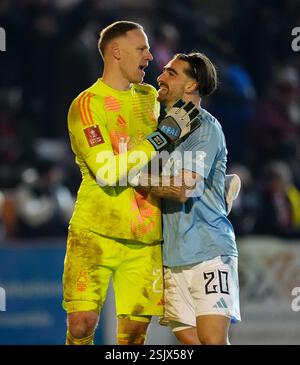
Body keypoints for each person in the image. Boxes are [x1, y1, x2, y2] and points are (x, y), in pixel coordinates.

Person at [62, 21, 199, 345]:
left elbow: (176, 149)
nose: (150, 56)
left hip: (145, 235)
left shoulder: (149, 98)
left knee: (134, 335)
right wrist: (159, 136)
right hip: (94, 233)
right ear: (116, 52)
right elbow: (107, 172)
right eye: (142, 48)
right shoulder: (87, 105)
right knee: (82, 324)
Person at [137, 52, 241, 345]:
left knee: (212, 339)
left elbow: (184, 189)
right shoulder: (158, 129)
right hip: (172, 255)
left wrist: (132, 178)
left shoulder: (205, 128)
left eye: (171, 73)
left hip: (209, 251)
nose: (160, 77)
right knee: (188, 338)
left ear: (192, 85)